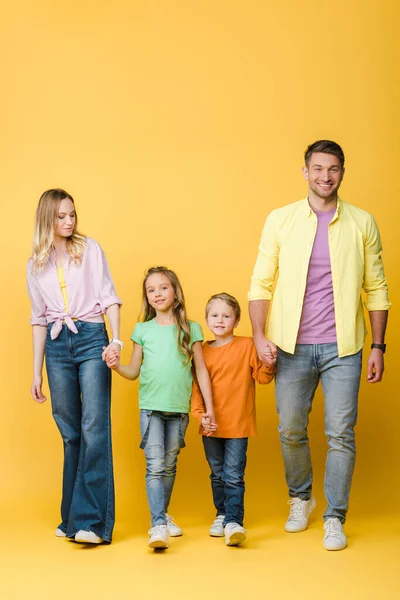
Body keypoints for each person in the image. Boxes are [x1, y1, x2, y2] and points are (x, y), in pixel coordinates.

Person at [248, 140, 391, 551]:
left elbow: (376, 288)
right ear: (305, 172)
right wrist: (259, 336)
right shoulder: (280, 220)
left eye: (332, 169)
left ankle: (334, 517)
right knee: (290, 428)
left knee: (341, 433)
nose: (324, 176)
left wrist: (378, 346)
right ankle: (301, 497)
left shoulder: (362, 222)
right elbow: (261, 282)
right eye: (317, 168)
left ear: (342, 173)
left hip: (343, 347)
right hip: (290, 346)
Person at [27, 188, 122, 544]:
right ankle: (71, 517)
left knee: (94, 426)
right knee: (71, 434)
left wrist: (116, 340)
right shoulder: (35, 264)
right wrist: (36, 371)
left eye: (72, 215)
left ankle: (93, 523)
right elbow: (38, 319)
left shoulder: (90, 249)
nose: (68, 222)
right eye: (61, 216)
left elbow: (109, 296)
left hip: (91, 336)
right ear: (47, 219)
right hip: (56, 345)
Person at [106, 266, 216, 549]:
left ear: (175, 292)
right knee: (155, 467)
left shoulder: (191, 329)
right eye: (151, 290)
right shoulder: (142, 330)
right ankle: (157, 525)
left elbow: (201, 371)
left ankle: (163, 516)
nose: (157, 294)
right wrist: (116, 365)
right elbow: (133, 371)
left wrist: (208, 408)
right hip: (151, 409)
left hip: (179, 409)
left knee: (168, 465)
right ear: (147, 297)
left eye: (163, 287)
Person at [191, 293, 275, 546]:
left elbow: (262, 378)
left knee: (233, 475)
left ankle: (234, 521)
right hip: (211, 426)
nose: (220, 320)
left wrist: (269, 362)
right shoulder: (201, 350)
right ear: (206, 319)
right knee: (217, 474)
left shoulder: (248, 345)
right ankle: (222, 514)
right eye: (214, 315)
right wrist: (199, 417)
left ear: (237, 320)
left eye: (226, 316)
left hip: (239, 424)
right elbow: (195, 388)